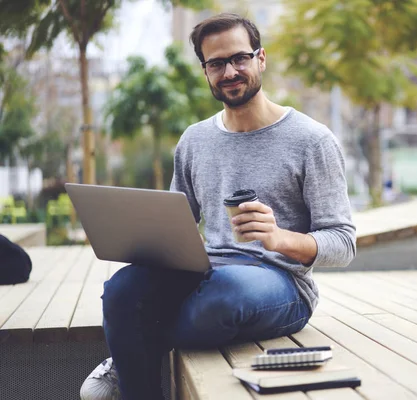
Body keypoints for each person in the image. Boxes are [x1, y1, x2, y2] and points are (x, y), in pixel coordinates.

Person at [80, 12, 356, 400]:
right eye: (216, 63)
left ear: (261, 58)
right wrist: (143, 238)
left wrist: (278, 238)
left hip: (282, 284)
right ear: (205, 70)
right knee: (122, 289)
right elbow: (176, 223)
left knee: (216, 300)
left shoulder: (312, 141)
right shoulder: (194, 140)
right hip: (206, 273)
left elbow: (343, 243)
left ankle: (130, 352)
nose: (229, 71)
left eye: (239, 58)